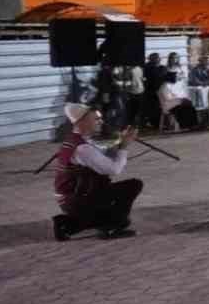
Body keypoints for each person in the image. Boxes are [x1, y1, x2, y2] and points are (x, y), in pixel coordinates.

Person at [52, 103, 143, 240]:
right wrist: (124, 146)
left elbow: (102, 149)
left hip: (73, 197)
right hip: (78, 199)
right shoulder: (83, 149)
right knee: (133, 186)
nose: (101, 122)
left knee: (111, 213)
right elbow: (114, 169)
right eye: (96, 119)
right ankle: (112, 227)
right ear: (81, 122)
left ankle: (66, 225)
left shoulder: (75, 140)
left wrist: (119, 141)